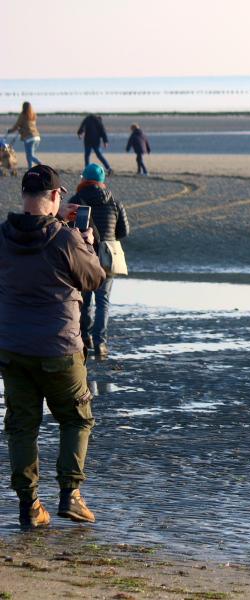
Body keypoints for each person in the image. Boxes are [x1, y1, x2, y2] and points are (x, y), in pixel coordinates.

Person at [0, 165, 106, 529]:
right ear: (56, 197)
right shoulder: (65, 238)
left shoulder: (3, 235)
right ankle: (70, 496)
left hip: (13, 346)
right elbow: (94, 278)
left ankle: (30, 505)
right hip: (59, 346)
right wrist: (87, 245)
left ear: (25, 197)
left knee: (21, 426)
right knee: (77, 418)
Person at [70, 163, 130, 358]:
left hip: (86, 256)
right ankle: (101, 344)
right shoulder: (114, 201)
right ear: (102, 180)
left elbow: (69, 228)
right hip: (108, 257)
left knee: (86, 300)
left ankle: (85, 338)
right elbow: (124, 232)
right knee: (103, 301)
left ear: (84, 179)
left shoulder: (77, 199)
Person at [6, 101, 41, 169]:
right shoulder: (33, 115)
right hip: (37, 137)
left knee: (30, 156)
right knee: (30, 155)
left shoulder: (23, 115)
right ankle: (30, 169)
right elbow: (28, 125)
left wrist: (10, 131)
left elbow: (17, 125)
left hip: (29, 138)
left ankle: (41, 165)